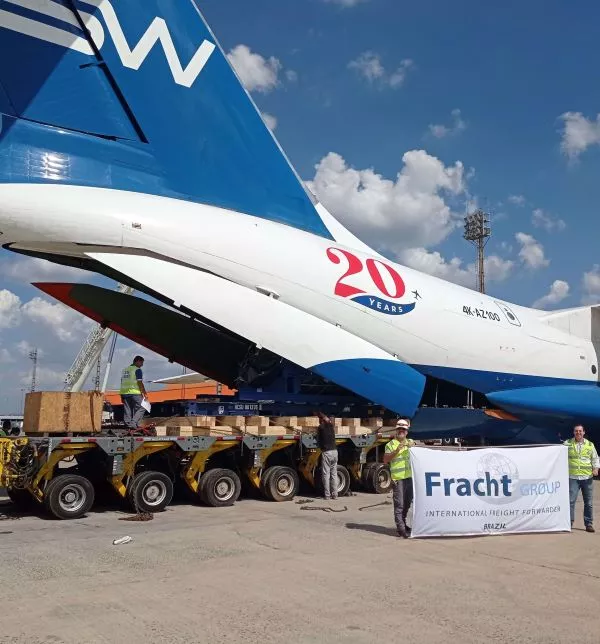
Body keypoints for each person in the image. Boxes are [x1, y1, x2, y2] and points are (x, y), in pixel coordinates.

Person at [383, 418, 415, 538]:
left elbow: (418, 450)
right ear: (396, 431)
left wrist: (413, 445)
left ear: (407, 432)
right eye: (399, 429)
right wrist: (397, 450)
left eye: (404, 429)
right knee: (399, 504)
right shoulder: (390, 445)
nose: (401, 431)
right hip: (398, 479)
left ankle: (403, 523)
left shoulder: (410, 442)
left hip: (409, 478)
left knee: (407, 503)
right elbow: (385, 460)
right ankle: (401, 528)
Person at [564, 424, 599, 533]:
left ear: (584, 432)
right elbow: (558, 455)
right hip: (573, 477)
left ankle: (588, 524)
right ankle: (569, 522)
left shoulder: (590, 445)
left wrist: (596, 468)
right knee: (570, 501)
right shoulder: (567, 443)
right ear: (573, 433)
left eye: (580, 431)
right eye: (576, 431)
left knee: (588, 502)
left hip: (587, 477)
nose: (578, 433)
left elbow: (595, 458)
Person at [119, 356, 148, 431]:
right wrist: (144, 393)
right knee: (143, 406)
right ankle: (134, 422)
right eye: (141, 362)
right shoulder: (137, 370)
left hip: (124, 392)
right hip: (134, 392)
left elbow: (122, 381)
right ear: (137, 361)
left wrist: (121, 395)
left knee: (128, 408)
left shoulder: (125, 370)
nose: (142, 365)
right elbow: (139, 382)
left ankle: (129, 424)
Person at [317, 411, 338, 500]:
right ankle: (335, 495)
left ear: (321, 421)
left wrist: (318, 413)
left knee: (326, 475)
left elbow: (318, 439)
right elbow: (327, 420)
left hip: (327, 453)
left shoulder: (321, 428)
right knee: (334, 474)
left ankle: (327, 495)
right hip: (334, 452)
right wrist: (321, 415)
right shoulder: (331, 426)